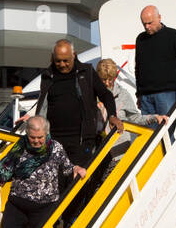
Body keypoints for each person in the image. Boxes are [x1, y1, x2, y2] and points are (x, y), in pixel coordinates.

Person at [37, 40, 119, 172]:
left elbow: (105, 94)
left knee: (81, 180)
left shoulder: (86, 72)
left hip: (81, 141)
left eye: (66, 60)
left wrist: (112, 115)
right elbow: (42, 105)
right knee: (60, 183)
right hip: (55, 142)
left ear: (74, 55)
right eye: (58, 61)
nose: (62, 65)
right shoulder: (47, 75)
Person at [134, 5, 176, 120]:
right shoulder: (140, 39)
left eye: (150, 23)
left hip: (166, 94)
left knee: (167, 132)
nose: (147, 27)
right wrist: (139, 94)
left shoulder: (173, 35)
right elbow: (138, 68)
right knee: (149, 135)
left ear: (159, 18)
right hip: (145, 97)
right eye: (144, 24)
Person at [95, 58, 166, 130]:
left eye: (110, 79)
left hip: (121, 140)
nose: (107, 83)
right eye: (103, 79)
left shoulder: (123, 95)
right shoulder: (93, 94)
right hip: (101, 140)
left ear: (114, 77)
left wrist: (154, 118)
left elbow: (135, 118)